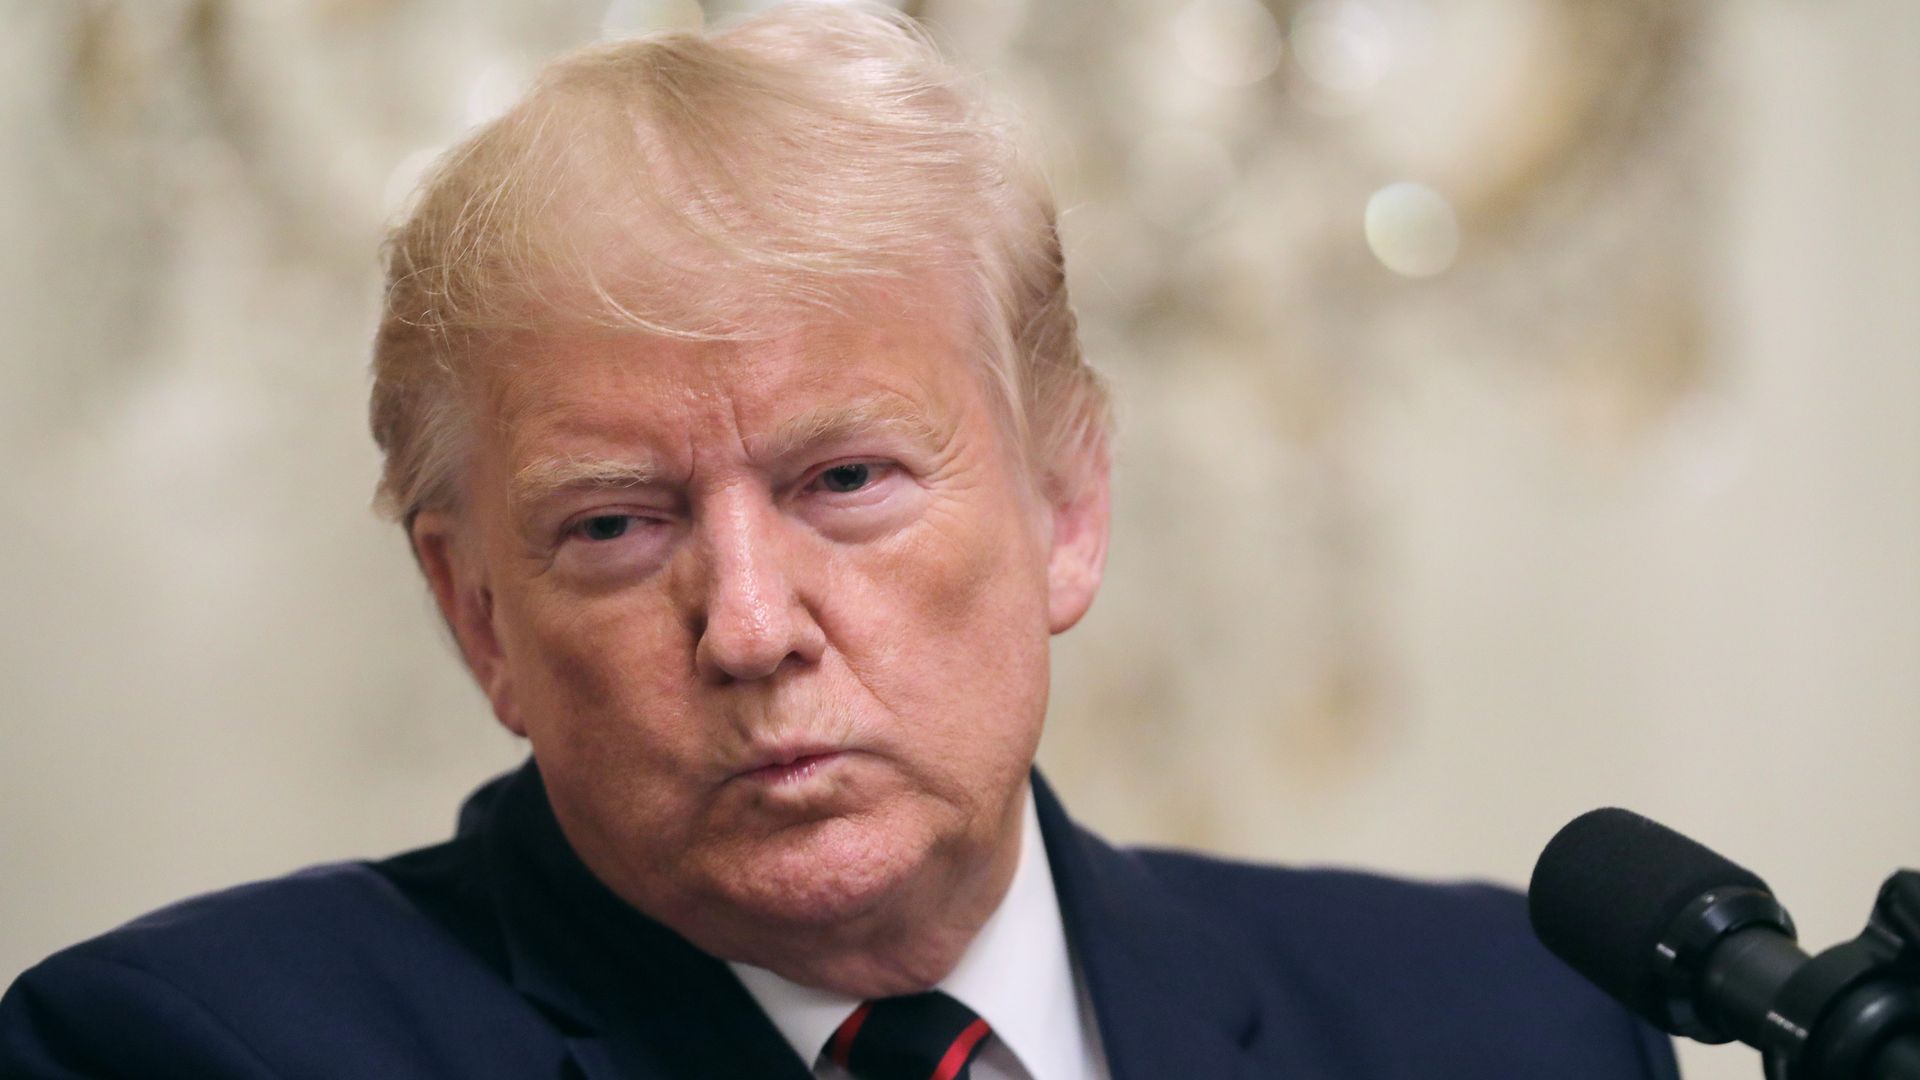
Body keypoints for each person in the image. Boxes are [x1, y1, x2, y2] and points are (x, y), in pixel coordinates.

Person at [0, 5, 1678, 1078]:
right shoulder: (186, 1052)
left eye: (849, 481)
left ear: (1068, 510)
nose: (747, 626)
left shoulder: (1511, 1020)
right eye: (612, 521)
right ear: (479, 617)